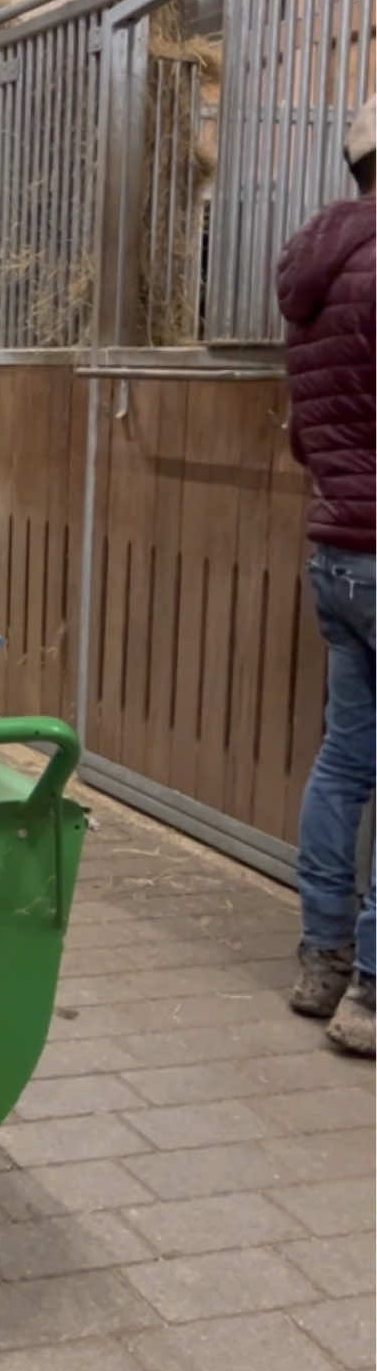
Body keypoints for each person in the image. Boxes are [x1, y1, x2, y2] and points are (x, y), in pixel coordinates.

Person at [278, 94, 376, 1057]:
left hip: (336, 550)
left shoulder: (315, 270)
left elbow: (306, 436)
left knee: (346, 757)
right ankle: (374, 995)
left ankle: (323, 958)